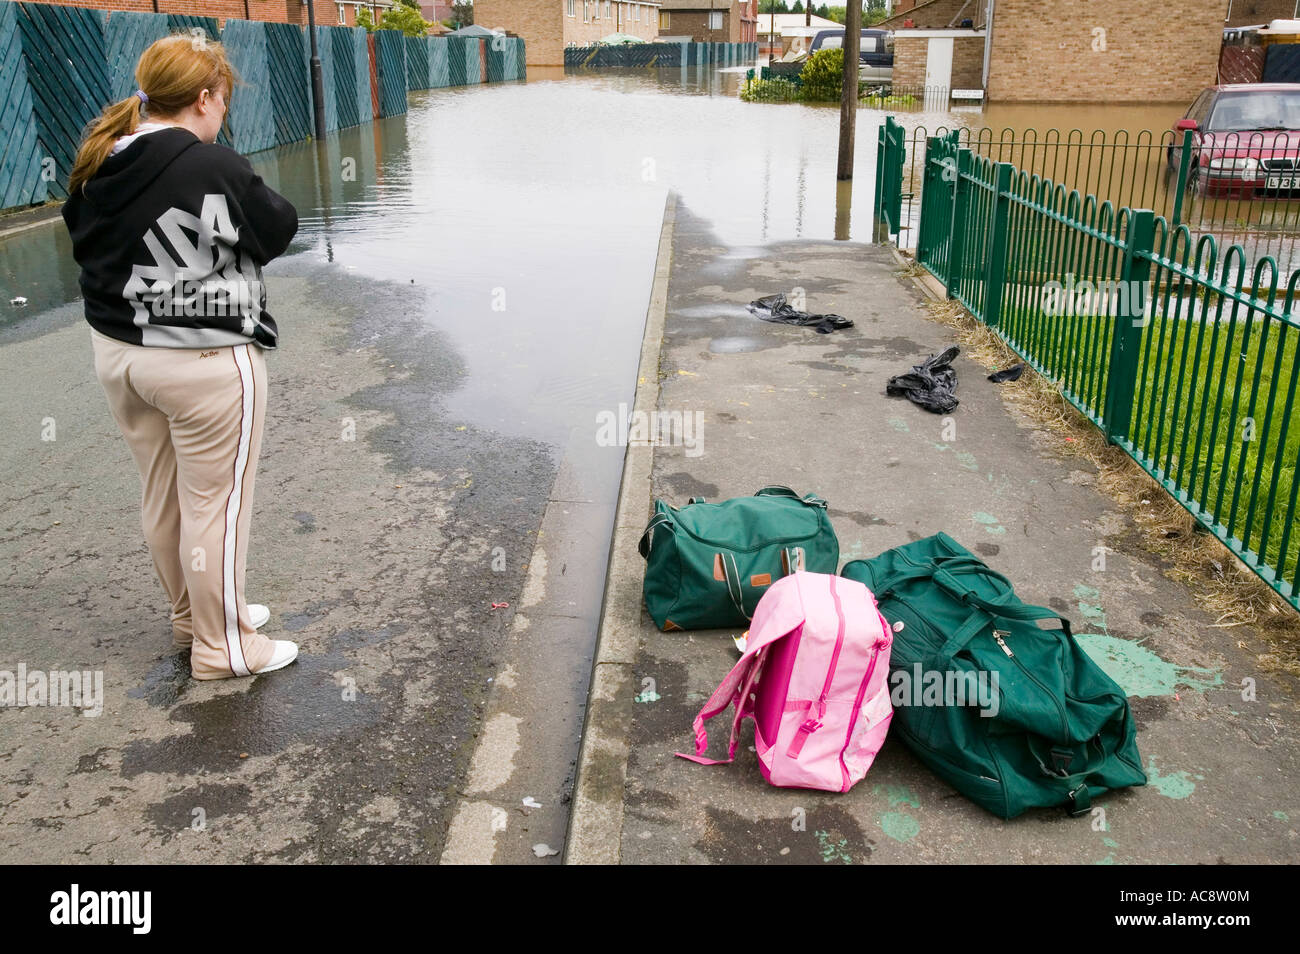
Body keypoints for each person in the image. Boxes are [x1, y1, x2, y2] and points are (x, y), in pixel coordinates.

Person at [62, 34, 300, 680]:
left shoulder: (98, 158)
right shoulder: (209, 164)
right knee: (216, 505)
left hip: (119, 356)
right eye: (222, 101)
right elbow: (276, 227)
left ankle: (192, 618)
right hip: (202, 357)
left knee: (164, 496)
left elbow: (89, 243)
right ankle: (225, 647)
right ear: (204, 98)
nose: (222, 113)